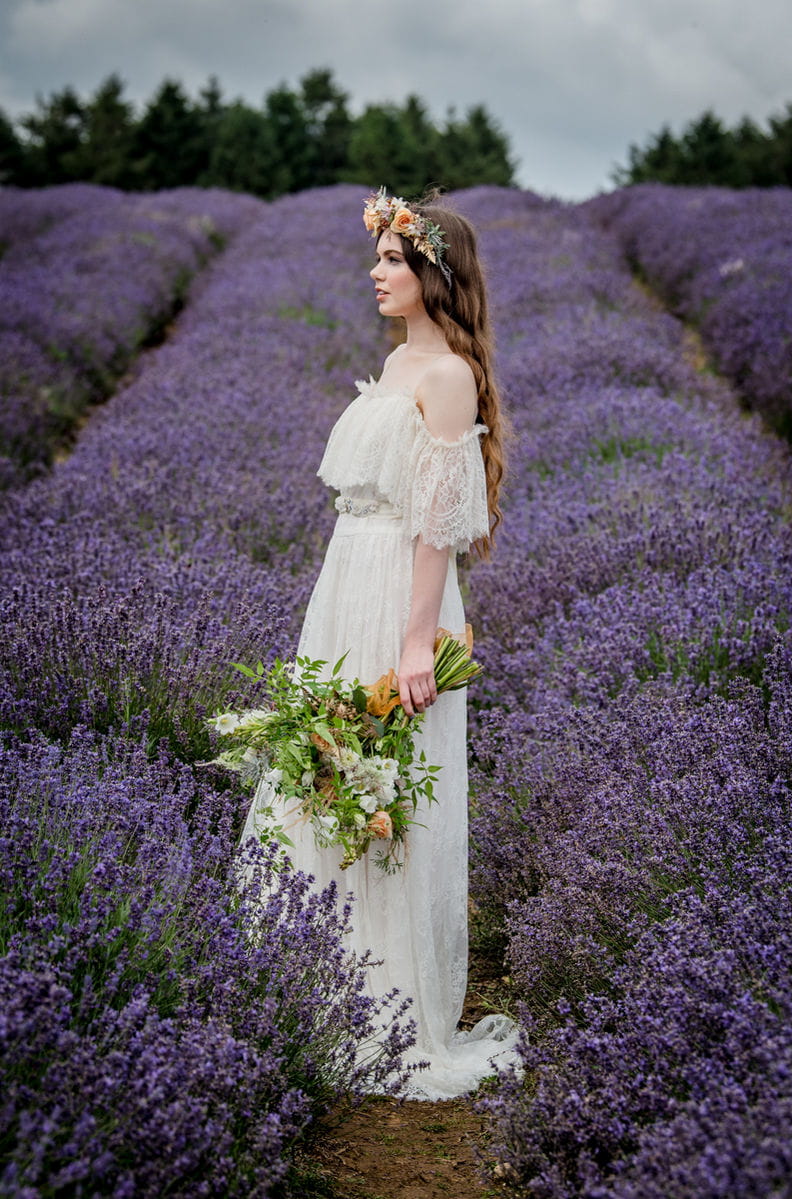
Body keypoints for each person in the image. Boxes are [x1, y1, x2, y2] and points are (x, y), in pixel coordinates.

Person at [241, 188, 520, 1098]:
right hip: (348, 576)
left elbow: (437, 524)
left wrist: (412, 644)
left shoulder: (447, 375)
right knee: (324, 770)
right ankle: (314, 980)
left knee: (382, 783)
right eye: (381, 257)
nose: (376, 271)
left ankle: (385, 999)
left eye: (394, 260)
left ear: (434, 272)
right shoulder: (398, 361)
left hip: (402, 594)